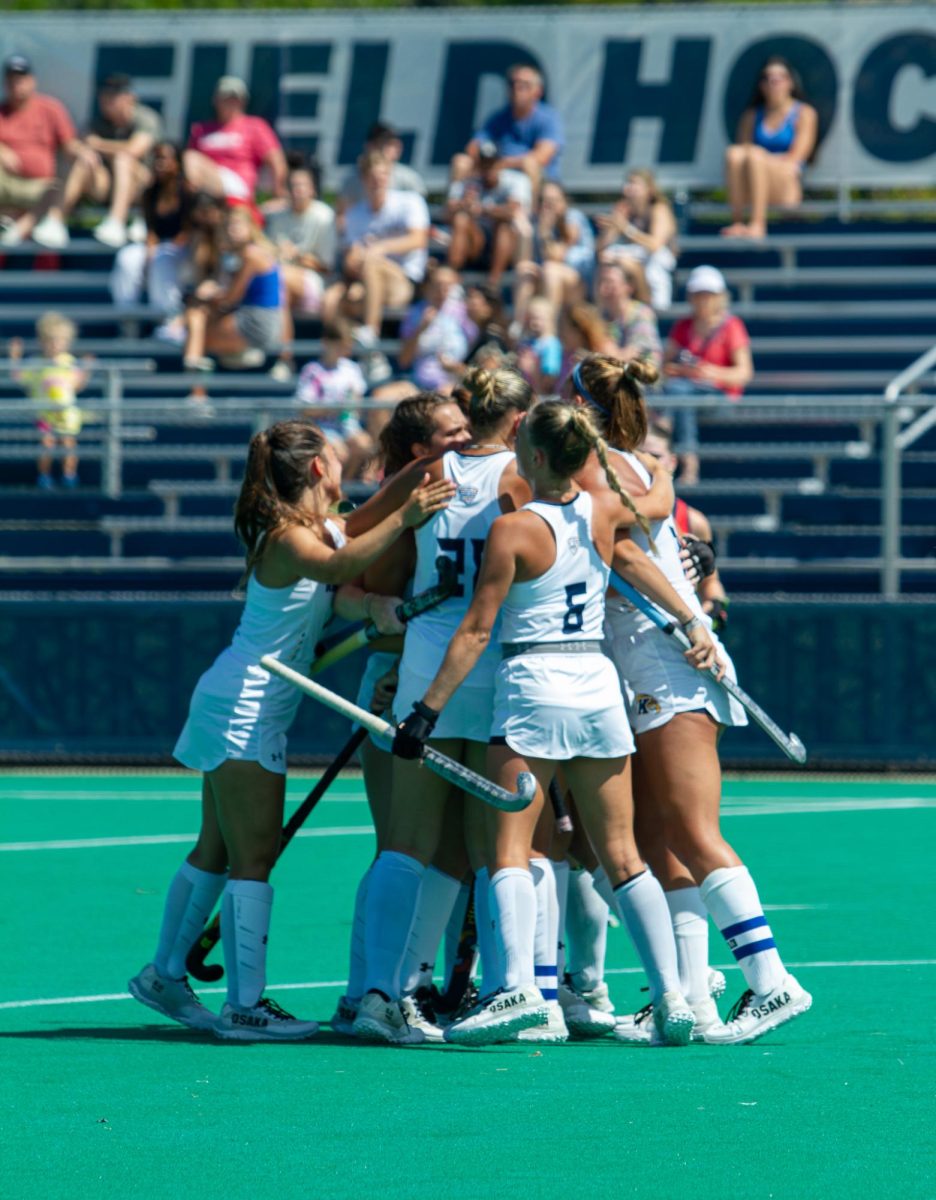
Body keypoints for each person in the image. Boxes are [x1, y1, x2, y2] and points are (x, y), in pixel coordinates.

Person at [394, 400, 717, 1046]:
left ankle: (517, 989)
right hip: (595, 687)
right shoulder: (601, 513)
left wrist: (425, 710)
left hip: (533, 686)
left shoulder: (514, 531)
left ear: (536, 458)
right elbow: (647, 531)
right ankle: (673, 996)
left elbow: (477, 629)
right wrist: (691, 617)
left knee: (511, 849)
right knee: (623, 856)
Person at [127, 419, 454, 1040]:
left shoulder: (320, 528)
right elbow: (341, 565)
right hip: (244, 705)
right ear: (316, 471)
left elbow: (349, 562)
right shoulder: (286, 537)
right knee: (253, 857)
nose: (344, 465)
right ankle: (246, 1005)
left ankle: (164, 974)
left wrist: (373, 603)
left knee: (217, 850)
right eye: (335, 458)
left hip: (244, 703)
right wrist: (409, 515)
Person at [568, 353, 812, 1045]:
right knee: (659, 838)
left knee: (694, 833)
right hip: (652, 659)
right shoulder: (639, 464)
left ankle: (772, 983)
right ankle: (692, 1000)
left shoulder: (595, 472)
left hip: (664, 659)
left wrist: (688, 623)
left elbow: (626, 559)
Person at [344, 366, 534, 1044]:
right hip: (495, 660)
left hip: (427, 659)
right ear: (514, 420)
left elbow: (346, 534)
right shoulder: (525, 472)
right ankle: (518, 992)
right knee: (498, 845)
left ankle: (377, 996)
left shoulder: (427, 471)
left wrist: (407, 516)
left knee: (407, 842)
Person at [331, 390, 472, 1036]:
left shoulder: (470, 486)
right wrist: (370, 615)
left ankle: (412, 989)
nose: (466, 437)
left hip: (440, 685)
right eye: (451, 431)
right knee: (400, 844)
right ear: (419, 451)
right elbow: (345, 569)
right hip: (393, 683)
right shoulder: (411, 490)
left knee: (446, 851)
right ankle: (369, 993)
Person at [327, 150, 430, 386]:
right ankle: (355, 361)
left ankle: (371, 335)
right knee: (337, 299)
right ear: (364, 179)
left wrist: (379, 248)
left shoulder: (409, 202)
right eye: (373, 176)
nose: (379, 181)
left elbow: (418, 240)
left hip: (403, 282)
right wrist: (354, 259)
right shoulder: (355, 214)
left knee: (371, 261)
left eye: (383, 175)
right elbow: (351, 260)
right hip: (367, 286)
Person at [41, 74, 162, 249]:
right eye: (104, 95)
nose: (106, 100)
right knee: (84, 161)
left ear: (130, 98)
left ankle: (116, 222)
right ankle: (55, 220)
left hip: (143, 190)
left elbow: (133, 149)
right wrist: (86, 150)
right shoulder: (97, 122)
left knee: (123, 159)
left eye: (114, 95)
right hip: (106, 187)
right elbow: (82, 144)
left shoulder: (146, 118)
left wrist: (98, 144)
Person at [662, 264, 753, 484]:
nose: (703, 300)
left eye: (708, 295)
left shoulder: (731, 326)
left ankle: (679, 456)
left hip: (719, 395)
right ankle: (686, 459)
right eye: (698, 295)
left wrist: (712, 374)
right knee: (679, 394)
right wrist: (685, 371)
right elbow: (664, 367)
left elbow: (744, 373)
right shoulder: (683, 326)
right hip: (685, 393)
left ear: (720, 297)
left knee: (677, 394)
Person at [642, 422, 730, 630]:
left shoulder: (693, 521)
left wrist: (714, 607)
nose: (646, 464)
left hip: (677, 628)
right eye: (637, 456)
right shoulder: (614, 513)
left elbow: (710, 583)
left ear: (672, 462)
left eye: (655, 456)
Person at [721, 57, 819, 240]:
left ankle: (758, 224)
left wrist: (762, 159)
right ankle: (737, 221)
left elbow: (795, 160)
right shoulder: (751, 116)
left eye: (779, 78)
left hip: (786, 187)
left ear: (790, 82)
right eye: (767, 78)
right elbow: (742, 158)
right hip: (754, 183)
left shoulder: (804, 114)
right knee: (733, 154)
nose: (773, 83)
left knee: (755, 155)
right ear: (761, 85)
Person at [182, 205, 283, 373]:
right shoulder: (235, 255)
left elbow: (231, 298)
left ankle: (195, 382)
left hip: (258, 321)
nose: (232, 229)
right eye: (229, 225)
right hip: (248, 315)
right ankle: (194, 367)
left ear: (250, 227)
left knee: (197, 332)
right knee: (196, 322)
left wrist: (207, 297)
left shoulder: (252, 255)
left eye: (237, 224)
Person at [0, 54, 87, 248]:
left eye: (21, 79)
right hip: (6, 186)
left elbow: (69, 144)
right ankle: (11, 227)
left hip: (40, 189)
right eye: (11, 80)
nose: (17, 85)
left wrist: (83, 152)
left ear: (32, 80)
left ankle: (19, 229)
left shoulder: (51, 109)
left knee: (56, 187)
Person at [109, 141, 194, 319]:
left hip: (184, 249)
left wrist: (164, 249)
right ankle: (127, 316)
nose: (158, 163)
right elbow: (151, 229)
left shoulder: (188, 191)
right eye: (156, 159)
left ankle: (167, 318)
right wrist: (150, 249)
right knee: (127, 258)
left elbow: (189, 230)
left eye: (163, 159)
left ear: (177, 163)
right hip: (160, 245)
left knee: (162, 261)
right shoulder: (150, 193)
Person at [9, 312, 89, 489]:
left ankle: (69, 475)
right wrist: (15, 358)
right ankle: (44, 475)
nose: (54, 345)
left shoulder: (68, 362)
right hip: (44, 415)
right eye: (50, 340)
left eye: (59, 340)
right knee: (47, 443)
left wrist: (86, 371)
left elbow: (76, 385)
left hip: (66, 414)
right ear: (41, 341)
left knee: (68, 444)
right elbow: (19, 377)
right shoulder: (36, 363)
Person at [455, 63, 564, 188]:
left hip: (530, 178)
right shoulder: (497, 118)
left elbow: (541, 157)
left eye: (524, 85)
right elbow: (473, 147)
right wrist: (489, 164)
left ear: (538, 91)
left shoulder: (549, 118)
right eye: (513, 83)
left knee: (530, 164)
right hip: (498, 177)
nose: (517, 88)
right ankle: (456, 205)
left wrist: (502, 164)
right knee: (461, 161)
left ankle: (532, 207)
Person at [185, 76, 286, 206]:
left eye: (235, 99)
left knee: (191, 158)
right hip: (208, 184)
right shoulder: (201, 129)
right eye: (226, 98)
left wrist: (278, 193)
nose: (231, 103)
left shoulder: (255, 126)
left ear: (243, 102)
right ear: (216, 100)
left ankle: (195, 204)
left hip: (238, 187)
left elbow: (276, 160)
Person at [294, 319, 373, 479]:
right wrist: (334, 408)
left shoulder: (351, 369)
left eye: (346, 346)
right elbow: (306, 409)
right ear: (326, 343)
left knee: (364, 445)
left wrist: (352, 406)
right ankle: (335, 492)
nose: (345, 350)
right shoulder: (312, 371)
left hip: (348, 426)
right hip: (323, 427)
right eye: (340, 345)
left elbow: (356, 403)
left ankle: (345, 487)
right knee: (339, 453)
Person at [444, 140, 532, 285]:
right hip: (475, 242)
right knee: (460, 219)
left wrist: (482, 210)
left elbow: (513, 212)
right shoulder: (466, 183)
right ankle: (451, 278)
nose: (489, 168)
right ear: (478, 165)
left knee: (503, 227)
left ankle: (493, 283)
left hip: (508, 245)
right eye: (485, 164)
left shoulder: (516, 181)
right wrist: (463, 205)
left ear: (501, 163)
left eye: (493, 163)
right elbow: (447, 212)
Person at [513, 181, 595, 330]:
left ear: (563, 201)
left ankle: (548, 330)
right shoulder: (536, 220)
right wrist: (524, 231)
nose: (548, 206)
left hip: (579, 283)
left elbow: (556, 257)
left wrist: (545, 232)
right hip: (550, 276)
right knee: (526, 273)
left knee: (551, 271)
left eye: (553, 201)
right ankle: (519, 328)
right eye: (544, 201)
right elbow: (522, 262)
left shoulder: (573, 218)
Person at [595, 170, 678, 311]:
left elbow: (655, 245)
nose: (629, 188)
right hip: (634, 260)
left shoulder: (659, 209)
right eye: (628, 183)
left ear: (649, 189)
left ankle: (648, 309)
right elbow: (600, 249)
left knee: (629, 263)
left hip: (657, 263)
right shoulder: (623, 210)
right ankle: (603, 309)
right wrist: (611, 227)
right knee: (607, 259)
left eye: (634, 183)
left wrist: (625, 228)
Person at [267, 163, 337, 318]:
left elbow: (326, 267)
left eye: (301, 185)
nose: (297, 190)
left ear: (312, 189)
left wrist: (296, 255)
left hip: (315, 282)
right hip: (282, 279)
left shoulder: (325, 217)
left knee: (277, 277)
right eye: (292, 186)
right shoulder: (276, 218)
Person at [394, 264, 472, 393]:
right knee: (382, 395)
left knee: (446, 393)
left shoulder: (464, 313)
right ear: (428, 286)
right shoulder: (415, 313)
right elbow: (404, 360)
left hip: (455, 383)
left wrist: (457, 368)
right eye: (437, 284)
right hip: (419, 384)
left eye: (447, 285)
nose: (442, 290)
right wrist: (421, 328)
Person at [338, 121, 427, 215]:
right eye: (380, 144)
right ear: (368, 146)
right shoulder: (352, 179)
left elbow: (420, 214)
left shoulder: (410, 179)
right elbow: (342, 215)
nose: (384, 149)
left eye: (390, 145)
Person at [594, 259, 662, 368]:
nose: (603, 289)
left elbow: (632, 355)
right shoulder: (600, 316)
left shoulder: (641, 314)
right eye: (600, 282)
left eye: (609, 282)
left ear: (628, 286)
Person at [516, 296, 563, 393]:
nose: (533, 322)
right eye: (530, 318)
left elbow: (550, 379)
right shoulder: (526, 342)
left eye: (538, 318)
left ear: (550, 319)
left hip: (542, 396)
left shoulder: (551, 344)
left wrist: (532, 371)